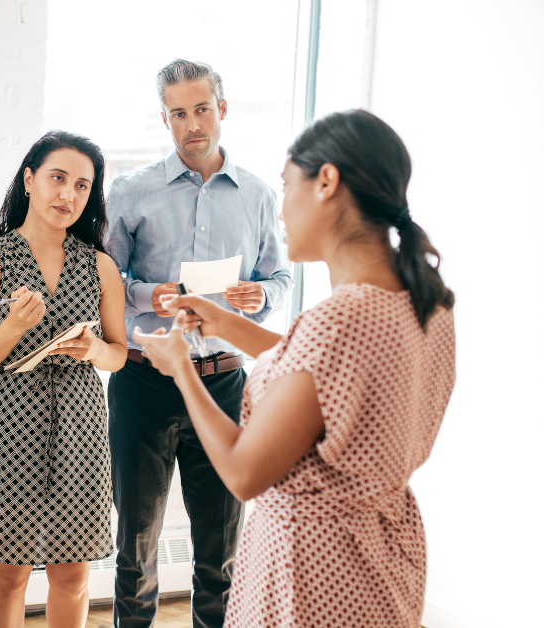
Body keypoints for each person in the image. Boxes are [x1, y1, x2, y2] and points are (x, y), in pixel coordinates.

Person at [135, 109, 456, 628]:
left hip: (311, 573)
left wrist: (181, 370)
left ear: (326, 182)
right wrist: (223, 323)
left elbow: (243, 473)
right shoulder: (425, 302)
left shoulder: (339, 319)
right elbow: (321, 375)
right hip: (383, 554)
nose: (281, 210)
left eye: (287, 186)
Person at [105, 60, 293, 628]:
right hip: (143, 382)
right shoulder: (131, 191)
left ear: (222, 110)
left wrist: (254, 298)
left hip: (224, 384)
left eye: (202, 109)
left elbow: (280, 282)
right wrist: (144, 294)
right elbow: (104, 283)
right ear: (165, 120)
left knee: (222, 547)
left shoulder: (259, 194)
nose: (193, 124)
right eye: (179, 113)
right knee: (136, 549)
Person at [0, 131, 128, 628]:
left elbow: (118, 354)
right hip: (9, 427)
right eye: (57, 178)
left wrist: (95, 349)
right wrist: (12, 327)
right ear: (29, 180)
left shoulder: (100, 266)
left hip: (81, 427)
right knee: (9, 573)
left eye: (81, 185)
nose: (68, 195)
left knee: (73, 573)